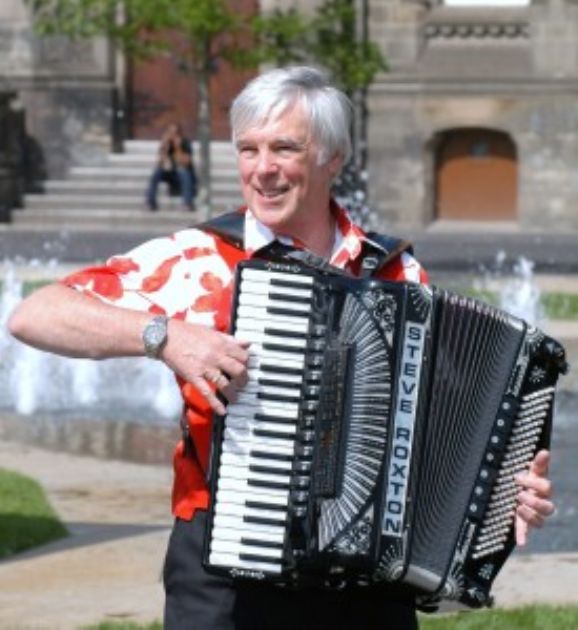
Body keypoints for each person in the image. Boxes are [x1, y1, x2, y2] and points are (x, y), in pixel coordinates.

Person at [8, 66, 555, 629]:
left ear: (333, 158)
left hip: (367, 587)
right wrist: (163, 336)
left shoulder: (395, 271)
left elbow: (438, 434)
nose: (262, 169)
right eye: (248, 149)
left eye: (285, 148)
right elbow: (36, 315)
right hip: (228, 581)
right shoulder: (198, 259)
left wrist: (494, 498)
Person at [146, 122, 197, 211]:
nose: (172, 136)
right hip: (169, 173)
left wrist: (178, 147)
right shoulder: (166, 144)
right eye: (170, 133)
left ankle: (188, 203)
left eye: (175, 133)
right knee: (157, 172)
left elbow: (185, 163)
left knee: (183, 172)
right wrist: (165, 147)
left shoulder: (185, 143)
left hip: (181, 174)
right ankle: (151, 202)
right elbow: (160, 162)